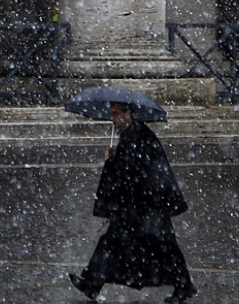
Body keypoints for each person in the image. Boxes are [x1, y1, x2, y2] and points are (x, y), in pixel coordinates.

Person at [69, 102, 197, 303]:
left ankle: (184, 285)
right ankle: (92, 283)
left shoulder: (140, 137)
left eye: (116, 114)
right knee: (114, 242)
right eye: (112, 114)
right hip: (136, 206)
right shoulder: (131, 136)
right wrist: (115, 158)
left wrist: (116, 159)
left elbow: (139, 170)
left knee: (163, 246)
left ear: (128, 114)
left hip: (146, 205)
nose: (113, 118)